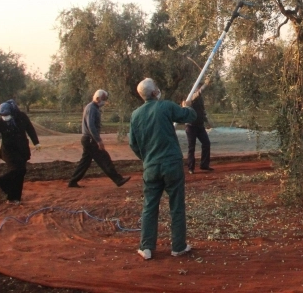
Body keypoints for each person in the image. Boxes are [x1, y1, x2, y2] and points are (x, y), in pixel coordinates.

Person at [129, 78, 196, 260]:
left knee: (150, 206)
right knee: (176, 205)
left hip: (150, 166)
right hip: (171, 164)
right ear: (153, 93)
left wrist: (147, 158)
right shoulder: (166, 106)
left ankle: (147, 247)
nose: (158, 90)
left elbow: (133, 144)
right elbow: (189, 117)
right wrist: (188, 106)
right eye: (156, 88)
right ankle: (178, 246)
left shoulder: (135, 115)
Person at [68, 90, 130, 188]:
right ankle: (118, 179)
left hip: (87, 139)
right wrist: (98, 140)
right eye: (104, 99)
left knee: (85, 162)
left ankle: (72, 181)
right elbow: (91, 126)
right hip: (90, 140)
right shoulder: (92, 108)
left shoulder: (92, 107)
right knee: (104, 159)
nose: (105, 101)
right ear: (97, 98)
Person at [0, 99, 41, 205]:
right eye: (2, 115)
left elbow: (30, 129)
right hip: (8, 151)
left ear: (12, 111)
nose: (4, 117)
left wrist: (36, 142)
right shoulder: (1, 122)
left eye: (6, 115)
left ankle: (14, 198)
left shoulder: (22, 117)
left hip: (22, 150)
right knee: (17, 170)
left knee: (21, 173)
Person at [185, 82, 213, 174]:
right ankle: (190, 168)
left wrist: (207, 122)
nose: (198, 89)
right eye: (198, 87)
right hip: (191, 126)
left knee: (206, 143)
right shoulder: (191, 96)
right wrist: (206, 84)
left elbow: (202, 111)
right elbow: (199, 92)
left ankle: (204, 165)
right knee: (191, 147)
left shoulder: (200, 99)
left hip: (200, 126)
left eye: (199, 87)